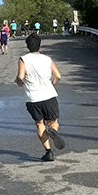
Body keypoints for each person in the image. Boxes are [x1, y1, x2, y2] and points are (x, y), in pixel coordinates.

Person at [16, 34, 65, 162]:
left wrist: (19, 82)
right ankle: (53, 130)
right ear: (40, 45)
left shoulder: (23, 59)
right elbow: (58, 75)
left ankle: (48, 151)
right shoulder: (47, 59)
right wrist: (51, 84)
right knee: (52, 122)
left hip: (33, 98)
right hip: (49, 95)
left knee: (39, 124)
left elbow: (21, 77)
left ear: (27, 46)